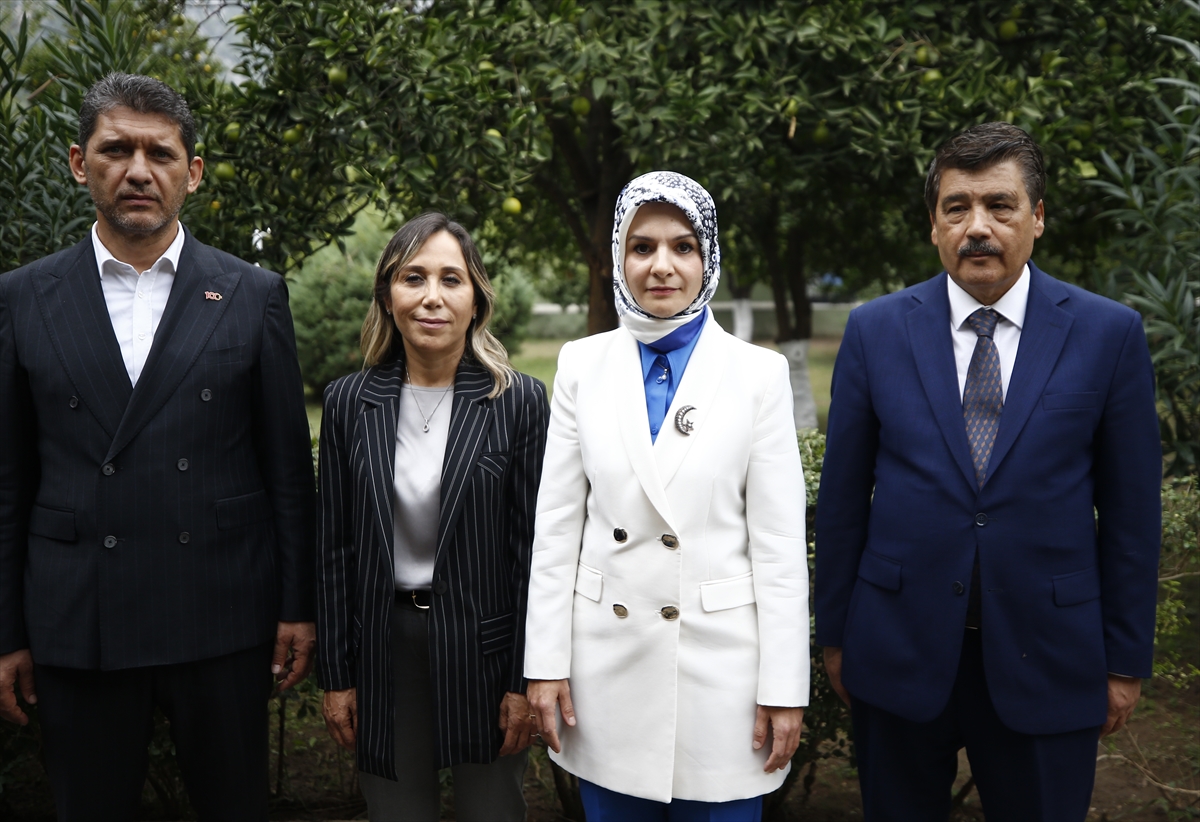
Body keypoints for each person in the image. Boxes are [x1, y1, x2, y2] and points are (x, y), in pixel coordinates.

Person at [814, 122, 1162, 821]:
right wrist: (836, 636)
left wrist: (1125, 660)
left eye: (999, 206)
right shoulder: (875, 330)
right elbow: (843, 499)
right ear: (934, 225)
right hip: (897, 651)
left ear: (1037, 217)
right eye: (956, 207)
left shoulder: (1108, 334)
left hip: (1051, 656)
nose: (978, 226)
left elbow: (1130, 513)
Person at [0, 73, 315, 820]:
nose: (138, 171)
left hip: (223, 613)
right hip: (81, 620)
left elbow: (286, 470)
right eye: (116, 150)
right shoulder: (21, 298)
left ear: (192, 173)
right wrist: (7, 631)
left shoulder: (250, 293)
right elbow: (9, 479)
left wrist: (297, 607)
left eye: (161, 154)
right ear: (81, 163)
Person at [525, 171, 809, 821]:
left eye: (683, 246)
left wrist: (785, 688)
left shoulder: (759, 375)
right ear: (617, 259)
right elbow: (557, 528)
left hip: (723, 679)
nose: (662, 265)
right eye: (642, 246)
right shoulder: (580, 365)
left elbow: (779, 547)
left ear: (708, 258)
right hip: (607, 672)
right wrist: (544, 664)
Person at [316, 212, 549, 821]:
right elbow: (335, 549)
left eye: (452, 279)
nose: (432, 297)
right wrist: (337, 675)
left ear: (476, 300)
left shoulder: (517, 401)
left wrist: (525, 680)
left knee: (493, 810)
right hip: (383, 648)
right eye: (413, 277)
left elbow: (532, 553)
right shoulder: (347, 404)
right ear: (388, 296)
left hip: (486, 647)